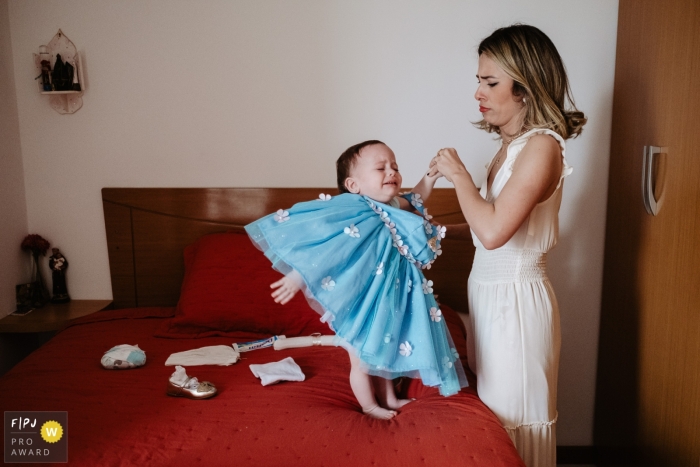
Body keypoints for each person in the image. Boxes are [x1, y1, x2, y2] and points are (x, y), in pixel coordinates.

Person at [429, 24, 586, 467]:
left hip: (516, 304)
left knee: (516, 426)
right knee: (494, 430)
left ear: (526, 87)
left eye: (490, 81)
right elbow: (488, 229)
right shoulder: (510, 147)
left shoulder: (541, 147)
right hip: (490, 297)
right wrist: (437, 231)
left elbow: (496, 232)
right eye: (478, 80)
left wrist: (458, 175)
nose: (478, 91)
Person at [246, 140, 467, 420]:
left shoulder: (392, 206)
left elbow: (416, 199)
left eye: (395, 167)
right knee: (361, 359)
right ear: (353, 185)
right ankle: (369, 406)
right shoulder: (354, 209)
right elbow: (327, 248)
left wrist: (430, 177)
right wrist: (297, 276)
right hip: (360, 302)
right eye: (380, 168)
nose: (391, 172)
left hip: (386, 297)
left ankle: (389, 398)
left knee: (381, 353)